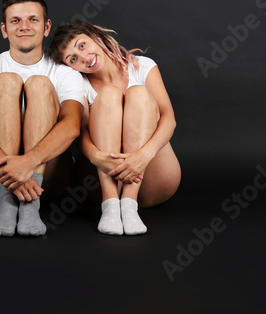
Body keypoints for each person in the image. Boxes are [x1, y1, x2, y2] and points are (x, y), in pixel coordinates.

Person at [0, 0, 85, 237]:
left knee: (39, 84)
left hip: (47, 180)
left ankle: (30, 205)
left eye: (33, 19)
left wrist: (28, 163)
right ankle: (7, 204)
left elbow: (72, 126)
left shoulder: (66, 73)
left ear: (46, 26)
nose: (24, 26)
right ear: (4, 29)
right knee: (7, 81)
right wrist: (12, 170)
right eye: (15, 21)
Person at [48, 19, 181, 236]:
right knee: (109, 95)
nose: (84, 58)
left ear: (95, 36)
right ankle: (110, 204)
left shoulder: (143, 65)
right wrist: (98, 158)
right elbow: (79, 133)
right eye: (73, 59)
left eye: (82, 45)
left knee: (137, 93)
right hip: (100, 181)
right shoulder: (77, 81)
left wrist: (143, 155)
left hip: (153, 179)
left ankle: (129, 203)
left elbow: (169, 119)